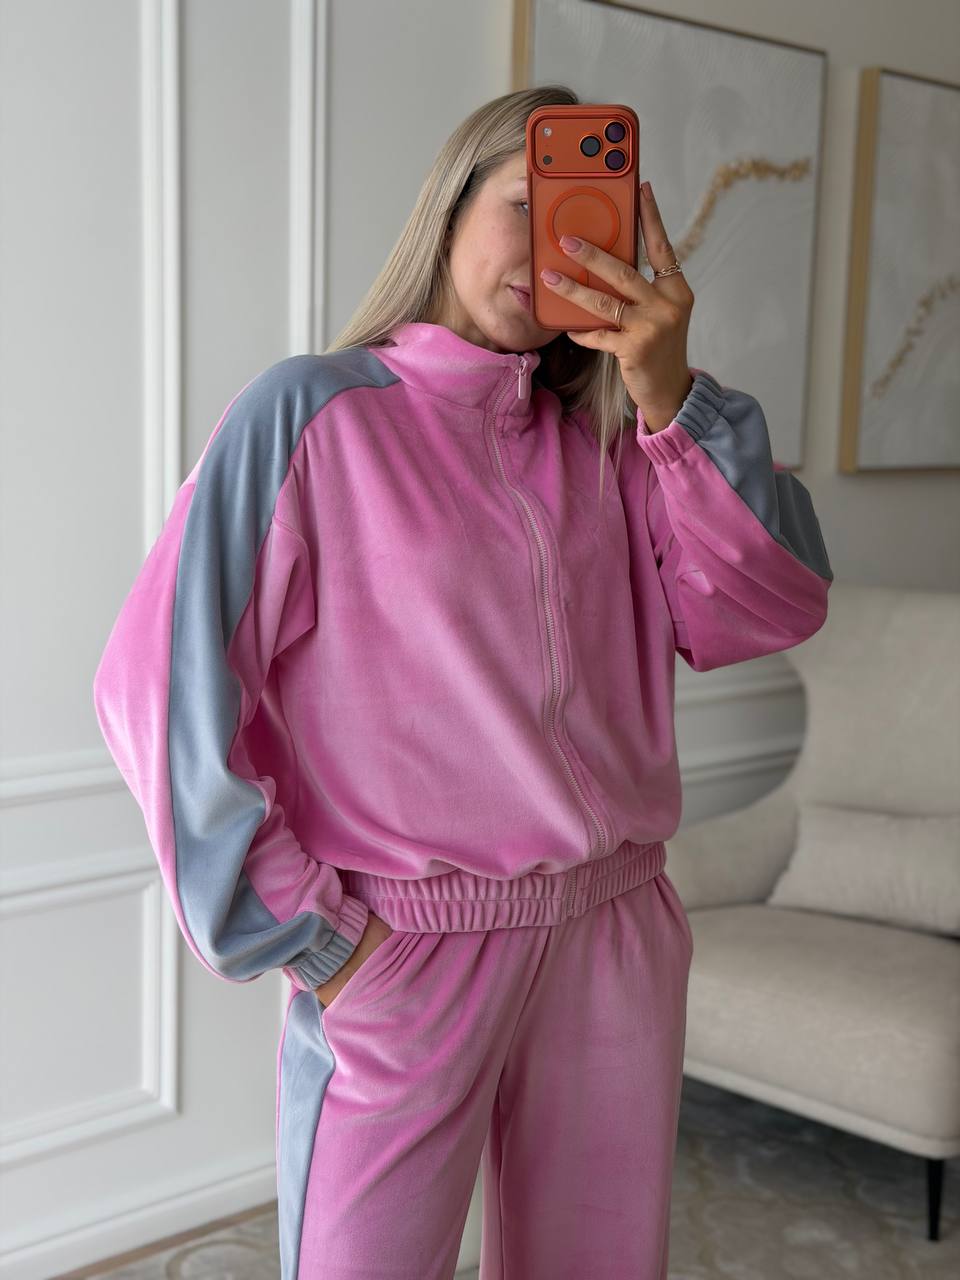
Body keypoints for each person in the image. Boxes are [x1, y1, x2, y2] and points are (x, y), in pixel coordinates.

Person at [92, 85, 833, 1280]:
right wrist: (316, 935)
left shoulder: (623, 445)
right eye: (526, 204)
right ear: (448, 208)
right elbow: (159, 686)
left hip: (615, 932)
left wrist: (669, 394)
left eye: (587, 217)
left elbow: (770, 604)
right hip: (408, 947)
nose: (555, 246)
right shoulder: (314, 415)